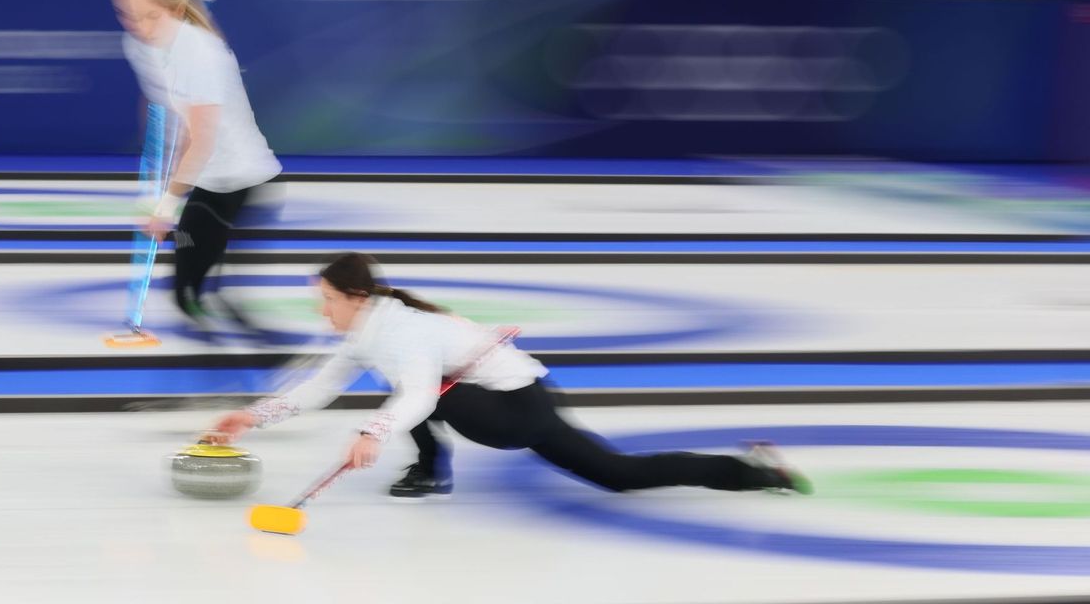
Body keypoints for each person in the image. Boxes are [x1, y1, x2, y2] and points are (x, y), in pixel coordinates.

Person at [212, 253, 809, 500]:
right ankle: (753, 472)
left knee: (419, 393)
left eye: (325, 300)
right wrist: (253, 417)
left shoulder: (400, 331)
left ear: (355, 296)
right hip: (507, 400)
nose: (321, 311)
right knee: (617, 477)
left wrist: (373, 433)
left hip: (515, 407)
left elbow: (420, 392)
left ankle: (429, 468)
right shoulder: (364, 330)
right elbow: (321, 385)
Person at [112, 0, 282, 335]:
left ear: (172, 10)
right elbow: (156, 101)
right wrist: (157, 168)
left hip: (241, 177)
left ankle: (247, 354)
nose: (138, 26)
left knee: (199, 281)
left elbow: (200, 139)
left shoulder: (200, 53)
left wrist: (165, 205)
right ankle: (215, 309)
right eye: (127, 15)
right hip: (203, 175)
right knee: (187, 288)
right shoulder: (139, 44)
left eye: (149, 16)